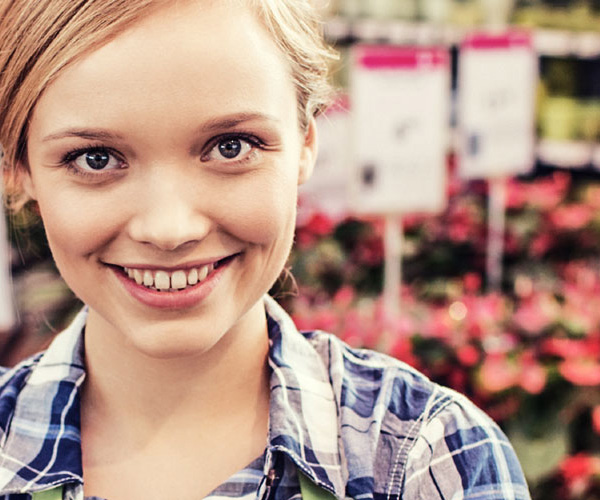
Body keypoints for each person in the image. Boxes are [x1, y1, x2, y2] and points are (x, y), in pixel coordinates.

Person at [0, 0, 531, 499]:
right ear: (19, 170)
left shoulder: (429, 459)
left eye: (231, 146)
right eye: (95, 159)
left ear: (306, 143)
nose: (168, 228)